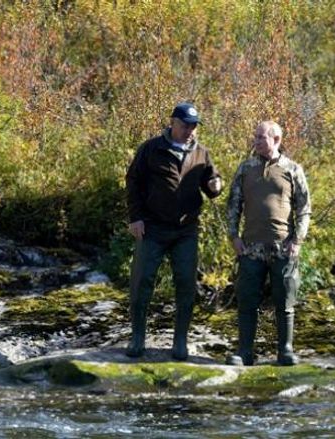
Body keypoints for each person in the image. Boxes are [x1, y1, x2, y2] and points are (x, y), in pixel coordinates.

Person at [125, 102, 223, 360]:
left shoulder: (202, 153)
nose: (190, 130)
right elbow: (133, 181)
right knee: (142, 281)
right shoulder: (151, 148)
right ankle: (137, 338)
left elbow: (212, 185)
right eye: (185, 125)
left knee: (186, 284)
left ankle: (180, 341)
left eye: (193, 126)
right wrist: (136, 218)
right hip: (152, 227)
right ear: (172, 123)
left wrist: (216, 185)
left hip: (186, 230)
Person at [226, 120, 311, 366]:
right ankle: (244, 352)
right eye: (255, 136)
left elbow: (304, 209)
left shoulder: (293, 169)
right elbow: (233, 205)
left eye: (261, 137)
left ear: (276, 140)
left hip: (283, 247)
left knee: (285, 301)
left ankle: (285, 351)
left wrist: (298, 240)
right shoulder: (246, 168)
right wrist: (234, 237)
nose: (256, 140)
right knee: (247, 300)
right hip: (250, 248)